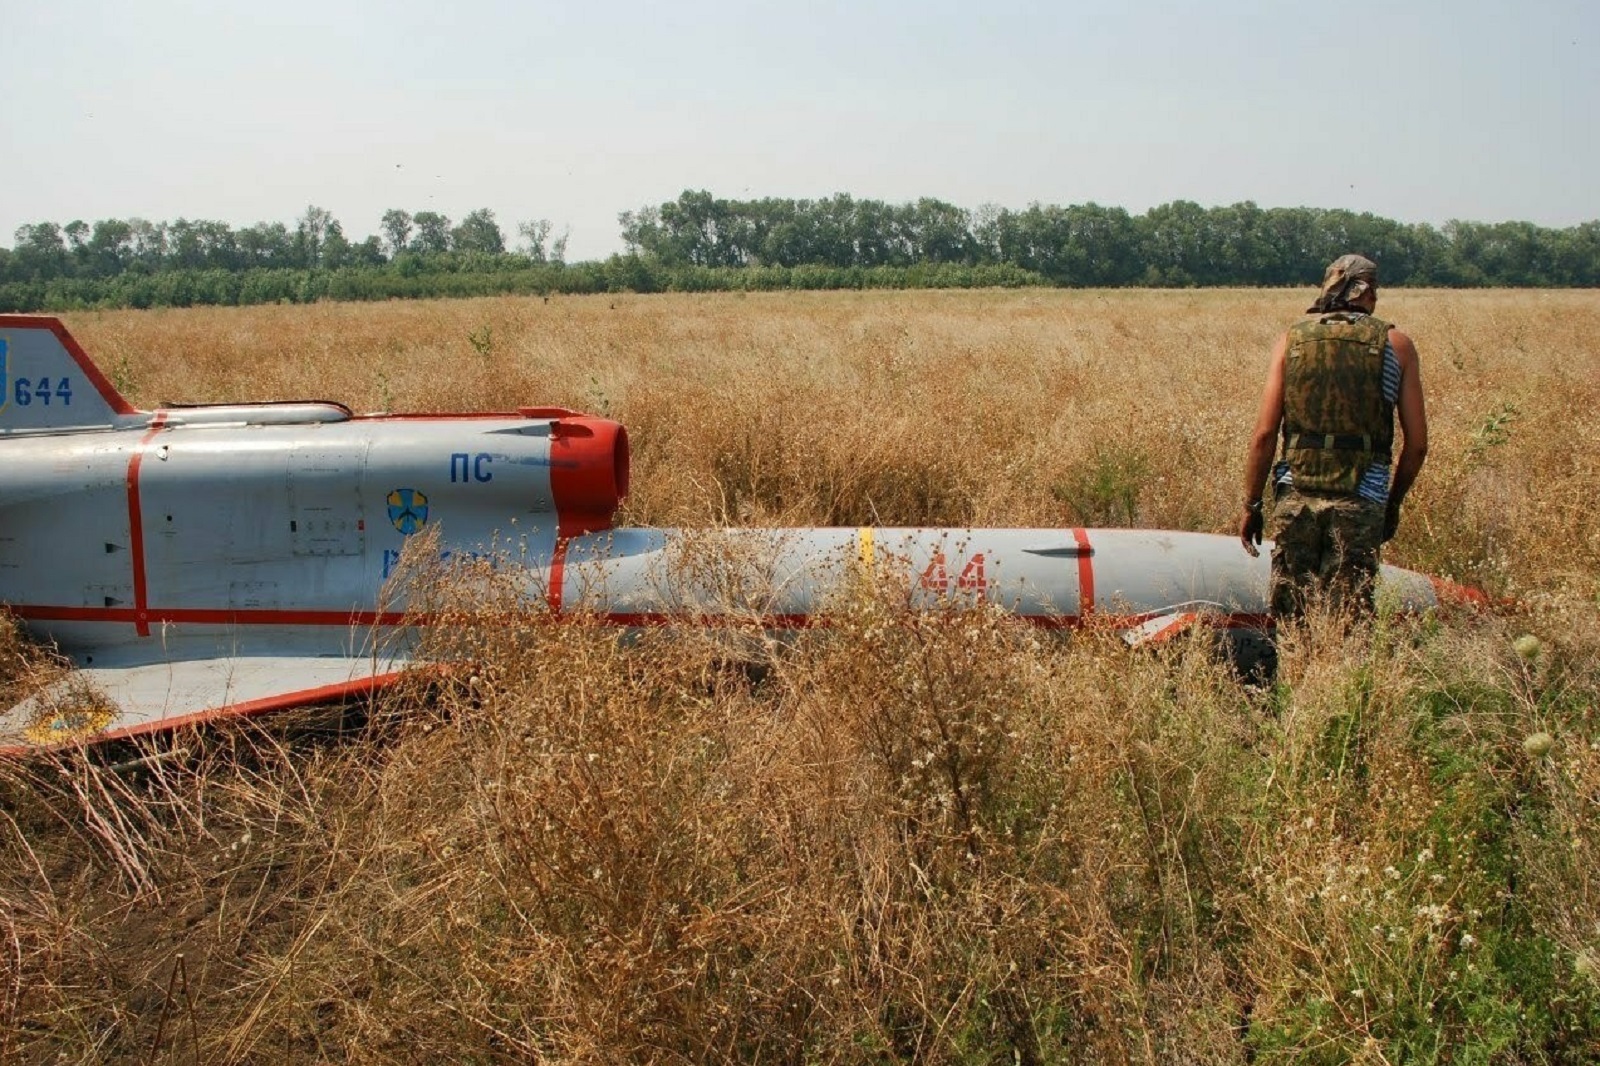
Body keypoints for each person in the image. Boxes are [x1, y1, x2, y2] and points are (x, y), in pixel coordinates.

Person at [1238, 254, 1428, 620]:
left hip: (1295, 495)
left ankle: (1293, 674)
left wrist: (1252, 506)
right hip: (1362, 500)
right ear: (1368, 291)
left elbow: (1264, 435)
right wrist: (1391, 503)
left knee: (1291, 615)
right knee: (1348, 618)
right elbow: (1417, 445)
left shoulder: (1290, 340)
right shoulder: (1397, 346)